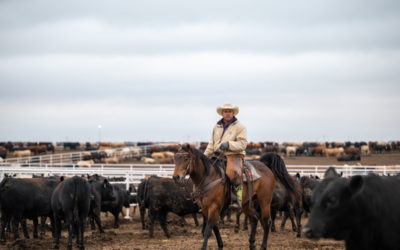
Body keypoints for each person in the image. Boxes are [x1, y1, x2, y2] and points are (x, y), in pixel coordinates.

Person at [204, 102, 248, 209]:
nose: (227, 113)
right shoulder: (216, 127)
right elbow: (211, 143)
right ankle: (206, 198)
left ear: (233, 113)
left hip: (235, 155)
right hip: (218, 155)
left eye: (229, 111)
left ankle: (237, 199)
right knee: (205, 172)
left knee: (233, 172)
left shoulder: (240, 127)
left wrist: (229, 144)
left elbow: (243, 144)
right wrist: (204, 157)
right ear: (222, 113)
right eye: (225, 111)